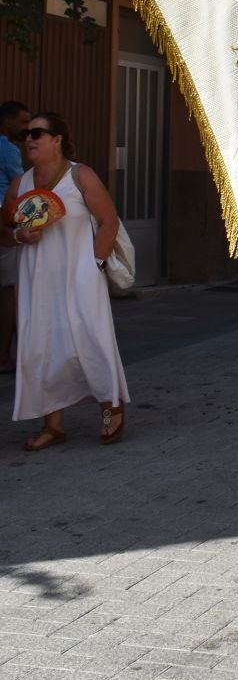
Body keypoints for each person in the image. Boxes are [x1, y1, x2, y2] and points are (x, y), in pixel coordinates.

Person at [2, 111, 129, 449]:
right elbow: (3, 230)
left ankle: (111, 407)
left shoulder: (80, 176)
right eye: (26, 134)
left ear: (57, 140)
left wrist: (95, 264)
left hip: (81, 273)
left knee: (90, 338)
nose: (29, 138)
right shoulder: (20, 184)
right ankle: (53, 425)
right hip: (36, 278)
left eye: (37, 133)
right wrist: (18, 236)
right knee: (42, 344)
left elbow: (108, 221)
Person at [0, 99, 29, 374]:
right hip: (4, 223)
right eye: (22, 122)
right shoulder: (8, 150)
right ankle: (4, 356)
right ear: (7, 121)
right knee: (9, 288)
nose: (26, 128)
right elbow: (22, 189)